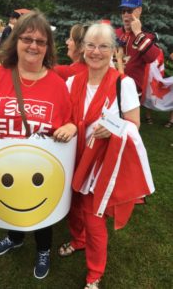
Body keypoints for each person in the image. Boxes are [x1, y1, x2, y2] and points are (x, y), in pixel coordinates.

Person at [0, 10, 77, 280]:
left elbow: (71, 121)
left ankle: (43, 249)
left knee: (40, 210)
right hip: (3, 164)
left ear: (47, 46)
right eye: (27, 39)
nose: (33, 46)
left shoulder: (58, 85)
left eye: (40, 41)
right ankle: (15, 238)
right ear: (16, 41)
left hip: (42, 169)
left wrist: (70, 127)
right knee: (10, 203)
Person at [58, 23, 154, 289]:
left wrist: (111, 129)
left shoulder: (124, 84)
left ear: (113, 50)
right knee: (73, 208)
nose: (96, 51)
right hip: (73, 157)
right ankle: (78, 241)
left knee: (94, 218)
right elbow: (65, 117)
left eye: (103, 46)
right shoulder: (71, 82)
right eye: (90, 45)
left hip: (101, 164)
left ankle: (94, 275)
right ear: (82, 48)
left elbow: (134, 124)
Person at [115, 0, 160, 124]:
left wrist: (138, 33)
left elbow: (152, 57)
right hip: (112, 87)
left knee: (128, 128)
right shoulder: (115, 32)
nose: (125, 15)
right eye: (123, 11)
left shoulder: (147, 36)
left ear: (139, 11)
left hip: (132, 92)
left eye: (129, 11)